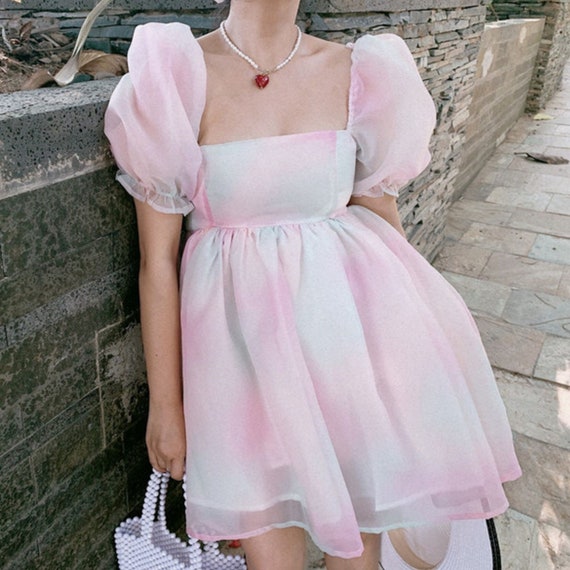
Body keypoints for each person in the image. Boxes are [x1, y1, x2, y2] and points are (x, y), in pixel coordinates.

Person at [104, 1, 522, 568]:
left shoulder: (362, 72)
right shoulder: (175, 76)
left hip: (343, 354)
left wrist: (418, 360)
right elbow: (158, 263)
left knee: (357, 555)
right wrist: (166, 406)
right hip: (237, 370)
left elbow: (382, 227)